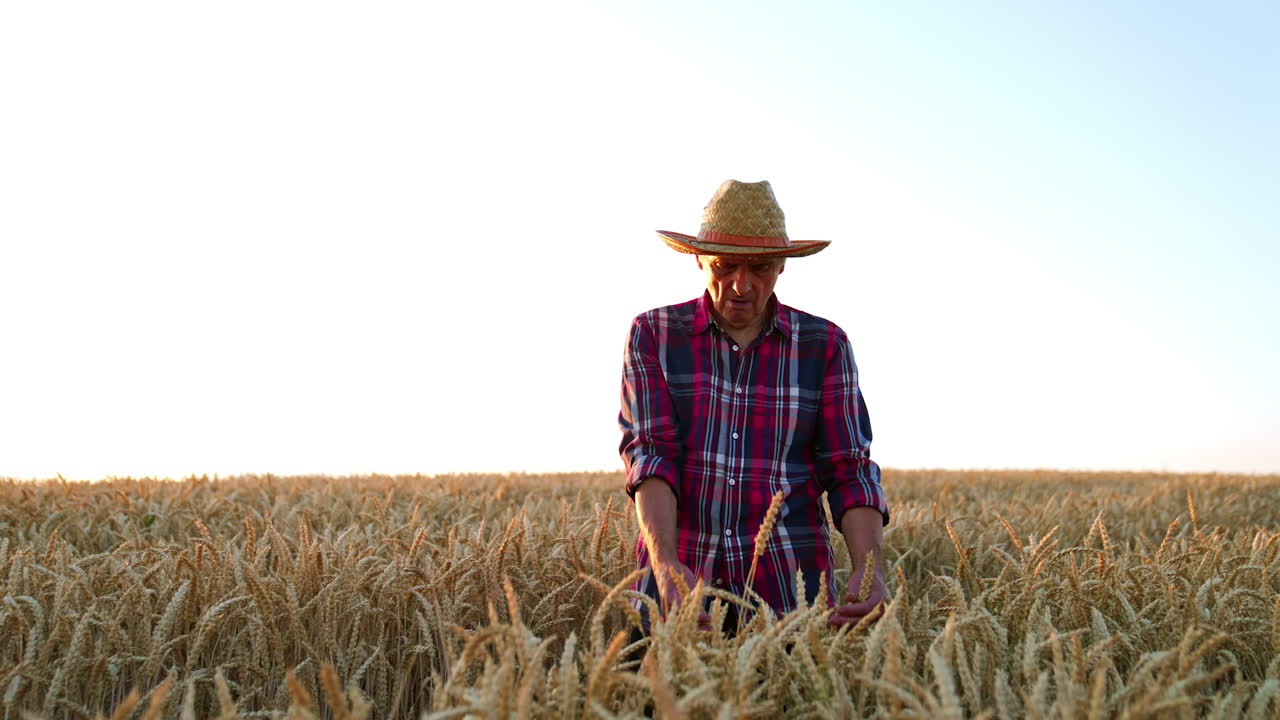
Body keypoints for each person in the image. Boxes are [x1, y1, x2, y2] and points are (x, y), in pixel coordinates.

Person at [618, 179, 889, 634]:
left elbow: (850, 469)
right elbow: (651, 455)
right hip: (678, 592)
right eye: (725, 265)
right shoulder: (654, 334)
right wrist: (663, 563)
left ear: (782, 265)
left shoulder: (824, 345)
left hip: (789, 595)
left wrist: (871, 568)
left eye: (760, 267)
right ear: (700, 258)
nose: (741, 285)